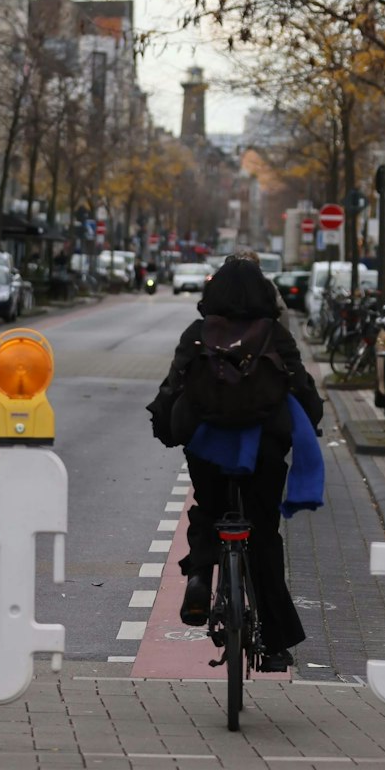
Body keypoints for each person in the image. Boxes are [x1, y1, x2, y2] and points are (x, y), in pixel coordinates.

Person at [147, 253, 324, 672]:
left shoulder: (198, 333)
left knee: (208, 511)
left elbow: (173, 389)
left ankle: (197, 581)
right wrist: (307, 424)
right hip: (264, 449)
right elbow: (302, 390)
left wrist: (167, 430)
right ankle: (276, 642)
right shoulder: (275, 336)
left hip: (207, 448)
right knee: (262, 534)